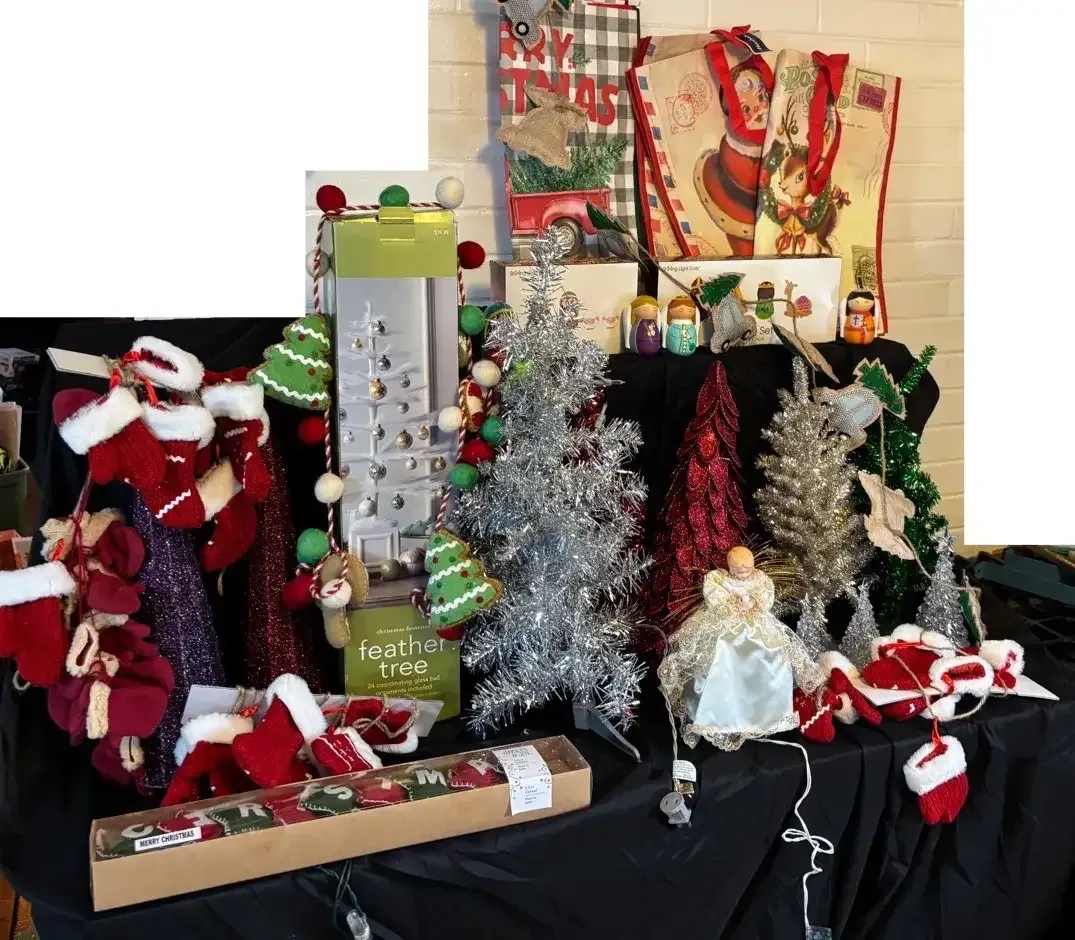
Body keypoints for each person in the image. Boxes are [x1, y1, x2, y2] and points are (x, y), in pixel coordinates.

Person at [657, 546, 823, 751]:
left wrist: (753, 604)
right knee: (720, 653)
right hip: (726, 625)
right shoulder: (718, 579)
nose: (744, 574)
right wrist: (733, 604)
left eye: (747, 569)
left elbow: (766, 595)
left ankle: (763, 714)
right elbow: (715, 597)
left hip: (756, 624)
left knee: (772, 652)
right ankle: (718, 716)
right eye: (738, 570)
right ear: (729, 566)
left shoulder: (760, 578)